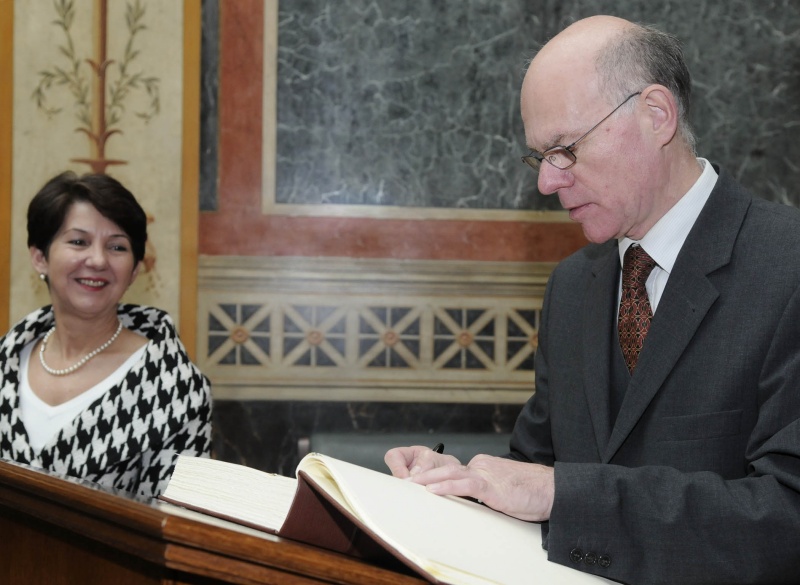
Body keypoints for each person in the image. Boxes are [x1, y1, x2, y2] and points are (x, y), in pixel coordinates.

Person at [386, 15, 800, 585]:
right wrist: (462, 485)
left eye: (564, 150)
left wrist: (562, 493)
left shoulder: (789, 266)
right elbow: (536, 474)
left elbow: (787, 517)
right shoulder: (573, 287)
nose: (547, 184)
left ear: (656, 115)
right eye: (539, 157)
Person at [0, 171, 212, 498]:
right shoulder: (7, 363)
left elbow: (175, 531)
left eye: (117, 247)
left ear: (135, 270)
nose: (97, 260)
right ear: (40, 257)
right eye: (78, 242)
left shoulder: (176, 389)